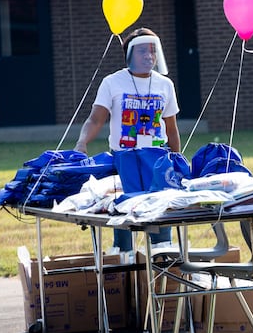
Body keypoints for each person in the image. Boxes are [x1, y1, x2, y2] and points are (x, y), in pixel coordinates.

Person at [74, 27, 181, 250]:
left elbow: (171, 128)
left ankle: (162, 259)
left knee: (160, 216)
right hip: (124, 160)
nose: (149, 56)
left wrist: (177, 160)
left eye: (152, 51)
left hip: (157, 160)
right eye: (142, 51)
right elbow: (96, 119)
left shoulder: (165, 85)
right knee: (124, 214)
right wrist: (82, 143)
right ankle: (123, 261)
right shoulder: (112, 82)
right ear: (130, 54)